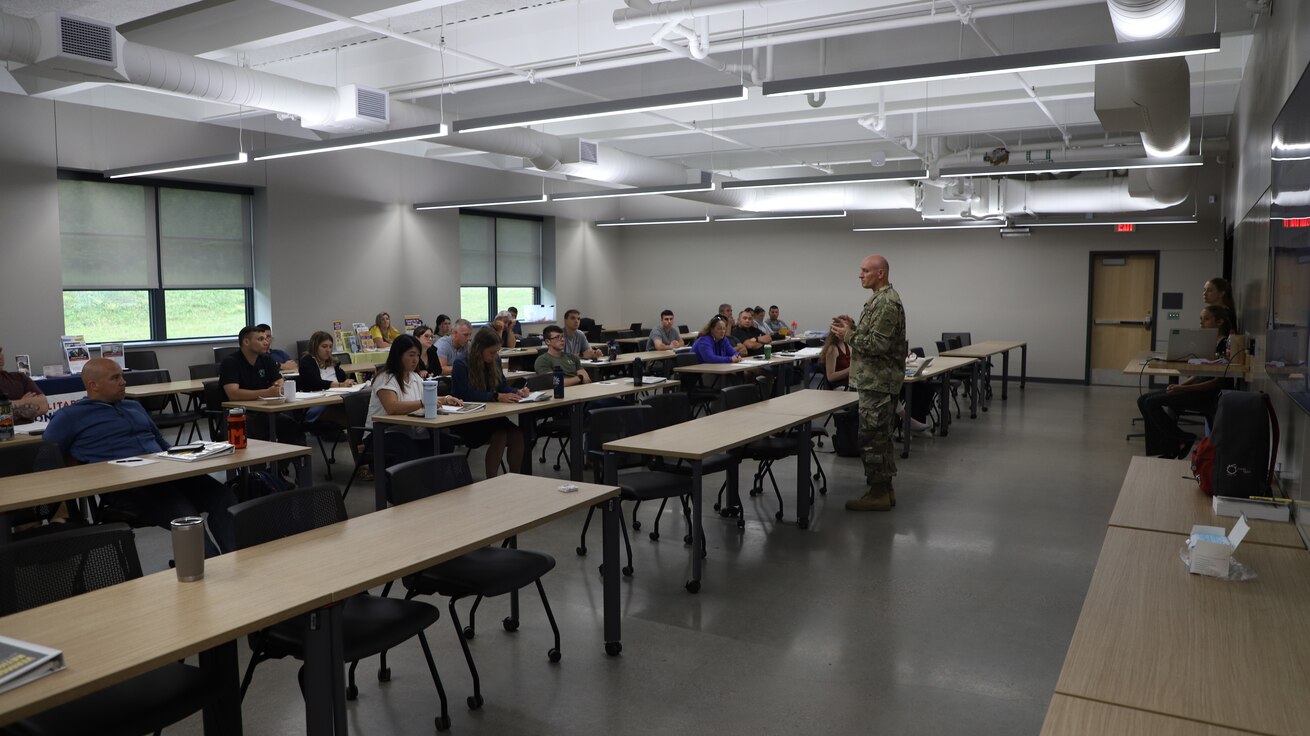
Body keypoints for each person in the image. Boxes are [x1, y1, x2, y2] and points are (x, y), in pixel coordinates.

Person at [44, 358, 237, 556]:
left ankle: (236, 558)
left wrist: (186, 458)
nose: (123, 382)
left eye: (122, 377)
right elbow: (47, 454)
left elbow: (162, 444)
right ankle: (209, 568)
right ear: (93, 385)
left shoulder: (133, 407)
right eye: (115, 378)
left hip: (165, 473)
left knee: (224, 497)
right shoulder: (70, 416)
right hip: (129, 486)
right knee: (185, 516)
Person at [831, 255, 907, 512]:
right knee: (879, 438)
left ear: (881, 273)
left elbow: (878, 345)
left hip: (878, 382)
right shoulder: (879, 300)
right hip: (876, 381)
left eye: (865, 271)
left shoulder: (886, 303)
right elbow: (874, 336)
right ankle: (884, 490)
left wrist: (848, 335)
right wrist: (853, 328)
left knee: (873, 439)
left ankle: (878, 492)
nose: (860, 275)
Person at [1136, 305, 1233, 458]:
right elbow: (1199, 373)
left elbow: (1216, 383)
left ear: (1220, 322)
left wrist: (1183, 390)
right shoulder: (1208, 343)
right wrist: (1180, 385)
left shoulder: (1225, 345)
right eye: (1200, 319)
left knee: (1150, 403)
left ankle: (1179, 440)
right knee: (1143, 400)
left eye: (1206, 319)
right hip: (1194, 389)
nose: (1202, 323)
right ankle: (1172, 444)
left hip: (1206, 395)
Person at [366, 335, 463, 462]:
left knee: (445, 441)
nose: (415, 360)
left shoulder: (414, 377)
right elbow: (392, 407)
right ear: (398, 355)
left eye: (417, 355)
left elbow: (424, 399)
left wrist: (445, 399)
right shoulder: (385, 378)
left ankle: (436, 479)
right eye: (411, 355)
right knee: (406, 445)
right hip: (383, 433)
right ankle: (409, 480)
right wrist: (423, 403)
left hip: (409, 430)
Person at [450, 328, 529, 478]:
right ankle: (492, 480)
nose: (494, 356)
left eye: (496, 352)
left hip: (490, 415)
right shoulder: (462, 364)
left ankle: (516, 477)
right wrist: (496, 396)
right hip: (468, 418)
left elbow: (502, 386)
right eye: (491, 352)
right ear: (479, 349)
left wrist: (516, 391)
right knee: (499, 435)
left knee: (518, 434)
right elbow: (466, 394)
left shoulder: (495, 361)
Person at [220, 325, 300, 442]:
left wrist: (278, 386)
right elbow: (233, 394)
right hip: (238, 414)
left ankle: (290, 460)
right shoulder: (230, 362)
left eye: (266, 338)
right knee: (256, 429)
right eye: (260, 339)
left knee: (291, 427)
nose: (266, 342)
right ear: (246, 342)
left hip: (264, 410)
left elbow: (278, 380)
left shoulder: (266, 359)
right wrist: (267, 393)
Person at [297, 330, 355, 427]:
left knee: (356, 404)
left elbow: (342, 378)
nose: (328, 350)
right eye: (324, 346)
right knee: (351, 412)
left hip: (336, 399)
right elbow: (316, 383)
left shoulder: (333, 362)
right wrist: (339, 385)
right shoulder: (307, 362)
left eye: (330, 346)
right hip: (316, 403)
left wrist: (348, 382)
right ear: (315, 347)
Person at [0, 345, 49, 425]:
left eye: (0, 351)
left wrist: (8, 408)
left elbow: (43, 405)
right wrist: (24, 402)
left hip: (28, 434)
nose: (0, 356)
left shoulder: (19, 377)